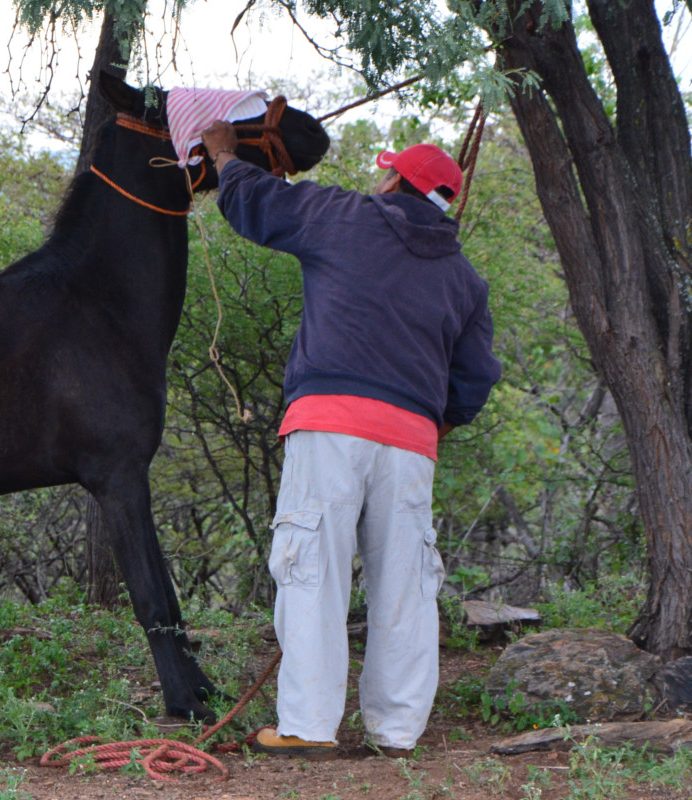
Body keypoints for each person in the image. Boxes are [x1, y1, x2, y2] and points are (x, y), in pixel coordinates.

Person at [199, 121, 500, 759]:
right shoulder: (465, 279)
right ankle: (396, 734)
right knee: (406, 585)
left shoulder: (345, 215)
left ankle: (308, 729)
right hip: (413, 441)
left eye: (386, 170)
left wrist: (225, 155)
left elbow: (260, 204)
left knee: (312, 570)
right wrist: (422, 425)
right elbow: (473, 383)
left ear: (395, 180)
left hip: (330, 426)